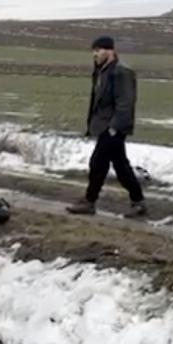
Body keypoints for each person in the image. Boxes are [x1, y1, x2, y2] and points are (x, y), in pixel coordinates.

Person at [67, 36, 147, 217]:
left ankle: (89, 201)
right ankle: (138, 201)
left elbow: (125, 102)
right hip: (104, 126)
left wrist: (114, 128)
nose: (95, 54)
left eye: (98, 50)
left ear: (110, 51)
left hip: (113, 127)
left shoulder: (121, 72)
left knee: (98, 163)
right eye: (93, 51)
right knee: (120, 165)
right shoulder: (102, 71)